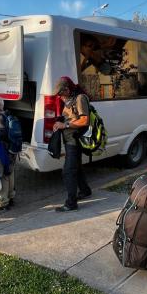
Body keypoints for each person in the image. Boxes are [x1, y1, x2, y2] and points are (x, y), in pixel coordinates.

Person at [52, 76, 92, 212]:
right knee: (77, 167)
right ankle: (85, 191)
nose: (59, 96)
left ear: (67, 89)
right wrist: (59, 122)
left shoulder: (80, 98)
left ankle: (71, 203)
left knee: (68, 172)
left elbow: (85, 120)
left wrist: (65, 125)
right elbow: (69, 117)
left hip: (75, 141)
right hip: (70, 140)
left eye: (61, 93)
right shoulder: (69, 99)